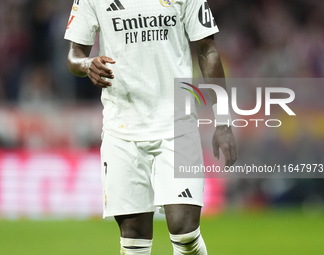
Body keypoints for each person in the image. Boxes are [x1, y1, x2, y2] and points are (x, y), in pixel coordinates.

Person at [65, 0, 237, 254]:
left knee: (185, 231)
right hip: (121, 129)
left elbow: (207, 48)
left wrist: (222, 120)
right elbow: (74, 55)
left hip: (177, 125)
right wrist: (86, 64)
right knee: (133, 237)